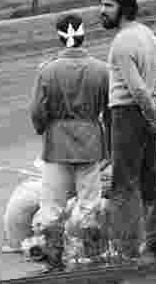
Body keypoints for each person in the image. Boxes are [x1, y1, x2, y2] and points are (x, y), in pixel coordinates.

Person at [27, 14, 110, 268]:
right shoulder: (101, 70)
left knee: (52, 204)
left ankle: (53, 260)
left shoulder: (47, 71)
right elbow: (110, 109)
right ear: (84, 36)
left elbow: (37, 111)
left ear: (60, 38)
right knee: (89, 204)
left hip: (57, 143)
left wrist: (45, 128)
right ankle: (94, 258)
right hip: (90, 142)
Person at [99, 0, 156, 264]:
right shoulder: (148, 35)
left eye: (108, 6)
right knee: (151, 178)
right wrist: (154, 105)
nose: (101, 11)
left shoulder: (122, 43)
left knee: (123, 185)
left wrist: (154, 116)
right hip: (143, 113)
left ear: (124, 9)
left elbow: (137, 89)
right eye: (102, 5)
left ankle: (125, 253)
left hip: (127, 115)